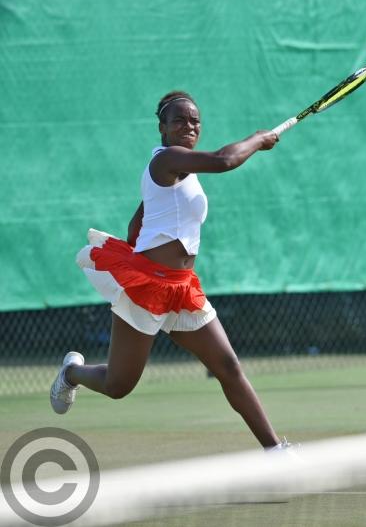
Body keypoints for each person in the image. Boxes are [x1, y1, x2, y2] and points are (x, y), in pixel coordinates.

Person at [51, 91, 291, 451]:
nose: (189, 125)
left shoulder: (183, 173)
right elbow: (224, 160)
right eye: (179, 119)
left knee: (228, 366)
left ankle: (275, 450)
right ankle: (71, 372)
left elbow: (136, 225)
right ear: (162, 128)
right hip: (147, 289)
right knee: (118, 386)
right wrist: (258, 139)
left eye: (195, 120)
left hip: (182, 289)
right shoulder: (166, 159)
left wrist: (149, 243)